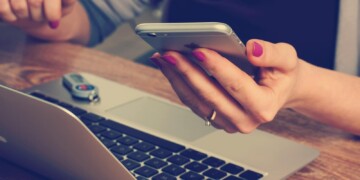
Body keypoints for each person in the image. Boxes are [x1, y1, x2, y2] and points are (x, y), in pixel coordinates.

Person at [0, 0, 359, 135]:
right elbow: (90, 16)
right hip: (170, 111)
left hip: (320, 139)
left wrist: (300, 87)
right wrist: (41, 10)